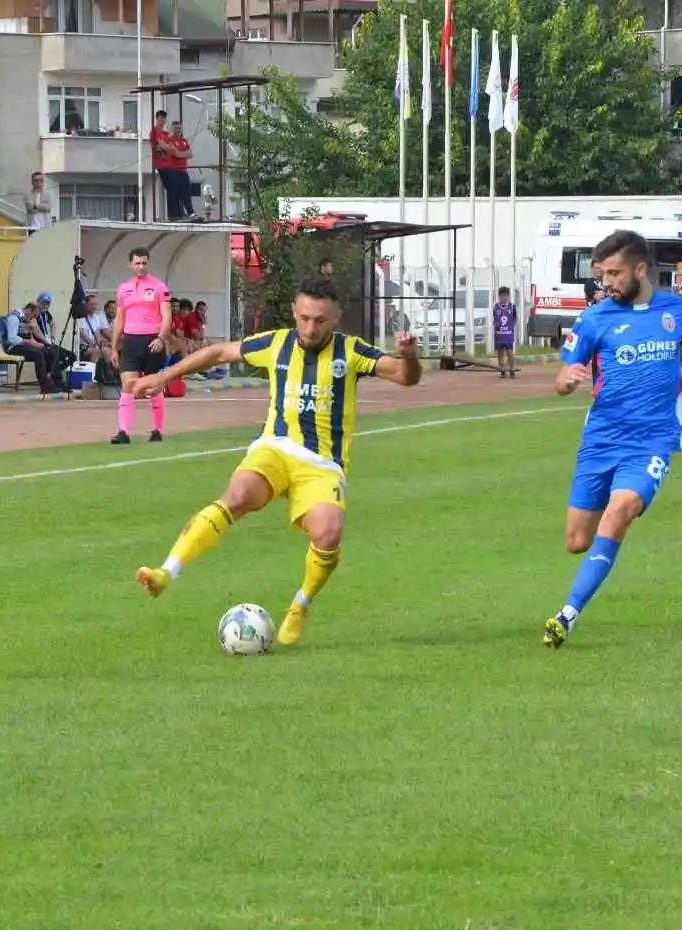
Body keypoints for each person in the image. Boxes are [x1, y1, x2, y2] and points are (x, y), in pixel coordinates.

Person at [130, 275, 423, 646]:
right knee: (237, 495)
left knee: (328, 533)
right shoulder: (277, 343)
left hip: (322, 464)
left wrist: (409, 357)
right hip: (276, 448)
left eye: (319, 320)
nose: (310, 327)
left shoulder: (352, 351)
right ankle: (165, 574)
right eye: (303, 318)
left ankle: (300, 605)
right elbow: (219, 353)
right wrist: (163, 376)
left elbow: (404, 376)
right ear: (294, 312)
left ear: (335, 318)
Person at [541, 229, 682, 648]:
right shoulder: (595, 319)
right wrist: (567, 381)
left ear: (640, 268)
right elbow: (562, 376)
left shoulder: (673, 308)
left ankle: (567, 615)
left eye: (614, 273)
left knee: (620, 511)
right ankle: (599, 554)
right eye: (602, 274)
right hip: (601, 440)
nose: (606, 282)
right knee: (577, 540)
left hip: (652, 439)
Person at [108, 246, 171, 444]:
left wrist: (161, 338)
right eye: (137, 263)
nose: (141, 267)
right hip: (131, 340)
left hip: (152, 339)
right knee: (128, 384)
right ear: (130, 264)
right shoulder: (123, 289)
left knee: (153, 387)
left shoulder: (159, 287)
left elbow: (167, 315)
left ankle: (157, 430)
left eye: (144, 263)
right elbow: (119, 318)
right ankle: (123, 432)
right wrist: (114, 346)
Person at [492, 285, 518, 379]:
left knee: (510, 352)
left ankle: (512, 370)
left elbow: (515, 318)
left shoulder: (512, 306)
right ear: (499, 296)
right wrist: (496, 325)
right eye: (501, 296)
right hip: (499, 334)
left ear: (508, 296)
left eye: (505, 296)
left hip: (508, 334)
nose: (503, 298)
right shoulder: (496, 307)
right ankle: (502, 370)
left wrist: (511, 326)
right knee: (500, 353)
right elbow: (495, 319)